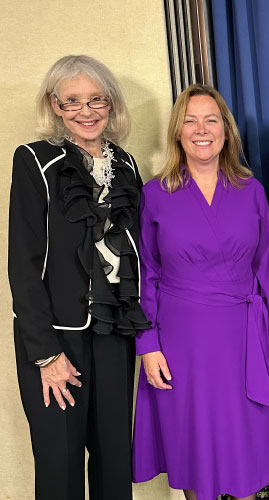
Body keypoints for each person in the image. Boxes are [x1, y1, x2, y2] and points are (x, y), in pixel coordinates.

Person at [132, 84, 269, 500]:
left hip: (243, 334)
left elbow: (267, 268)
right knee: (194, 447)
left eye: (211, 120)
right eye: (191, 120)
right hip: (181, 340)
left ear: (226, 130)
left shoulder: (251, 190)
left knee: (244, 447)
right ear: (178, 132)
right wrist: (147, 344)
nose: (202, 130)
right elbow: (145, 273)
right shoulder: (154, 194)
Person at [8, 55, 149, 500]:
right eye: (72, 101)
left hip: (114, 332)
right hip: (56, 337)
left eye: (96, 100)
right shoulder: (35, 160)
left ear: (110, 105)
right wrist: (46, 354)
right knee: (59, 461)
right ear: (55, 105)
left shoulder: (126, 164)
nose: (86, 111)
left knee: (113, 462)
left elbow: (138, 251)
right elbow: (23, 263)